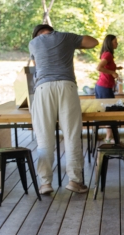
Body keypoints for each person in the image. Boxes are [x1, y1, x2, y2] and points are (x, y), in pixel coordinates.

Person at [28, 24, 98, 195]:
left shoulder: (33, 43)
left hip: (43, 89)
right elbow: (93, 42)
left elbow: (36, 66)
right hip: (67, 86)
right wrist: (76, 43)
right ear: (52, 30)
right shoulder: (66, 37)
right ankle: (75, 181)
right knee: (71, 135)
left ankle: (45, 183)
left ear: (37, 34)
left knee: (44, 139)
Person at [95, 34, 121, 143]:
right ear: (110, 43)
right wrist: (112, 72)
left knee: (109, 111)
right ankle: (109, 137)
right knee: (110, 112)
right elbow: (99, 67)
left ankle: (109, 136)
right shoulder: (108, 54)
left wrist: (116, 68)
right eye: (115, 42)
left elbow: (106, 66)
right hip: (104, 86)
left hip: (103, 86)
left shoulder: (107, 54)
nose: (117, 43)